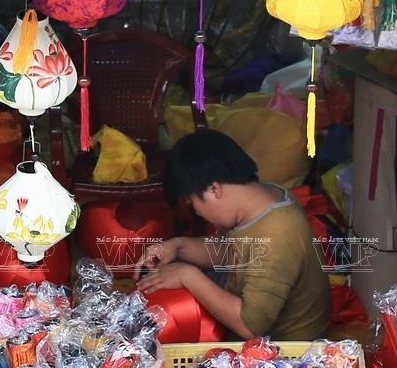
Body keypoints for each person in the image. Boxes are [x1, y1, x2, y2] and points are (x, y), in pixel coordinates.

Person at [135, 130, 331, 341]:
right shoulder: (266, 197)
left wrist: (187, 275)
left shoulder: (279, 233)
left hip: (288, 352)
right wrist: (178, 247)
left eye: (193, 203)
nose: (198, 212)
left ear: (214, 190)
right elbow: (233, 253)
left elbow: (250, 326)